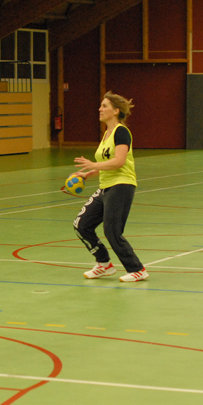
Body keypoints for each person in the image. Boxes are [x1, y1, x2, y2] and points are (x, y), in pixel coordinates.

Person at [71, 91, 148, 283]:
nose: (100, 109)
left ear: (115, 111)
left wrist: (93, 164)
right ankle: (104, 264)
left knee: (112, 230)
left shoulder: (121, 132)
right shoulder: (106, 134)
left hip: (122, 185)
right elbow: (107, 162)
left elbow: (119, 161)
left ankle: (137, 269)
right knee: (81, 225)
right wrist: (89, 173)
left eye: (104, 106)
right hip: (105, 186)